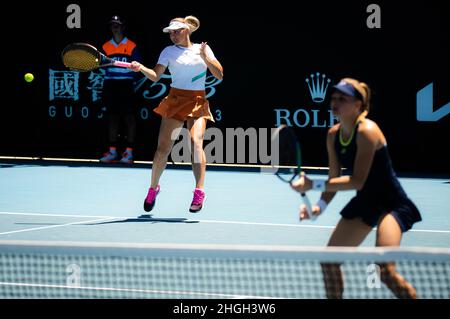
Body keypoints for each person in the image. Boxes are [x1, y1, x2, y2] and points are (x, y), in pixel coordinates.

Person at [291, 78, 422, 299]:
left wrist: (313, 184)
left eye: (343, 98)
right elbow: (334, 179)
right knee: (329, 262)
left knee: (384, 271)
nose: (335, 102)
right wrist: (318, 207)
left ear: (358, 105)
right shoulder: (333, 135)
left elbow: (357, 181)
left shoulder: (368, 131)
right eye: (334, 97)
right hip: (366, 202)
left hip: (392, 204)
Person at [130, 16, 223, 213]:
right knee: (162, 150)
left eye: (176, 31)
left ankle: (199, 191)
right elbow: (155, 76)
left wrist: (206, 57)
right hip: (175, 100)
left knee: (196, 143)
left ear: (187, 30)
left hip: (198, 101)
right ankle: (153, 188)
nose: (172, 35)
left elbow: (219, 74)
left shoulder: (203, 48)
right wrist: (141, 68)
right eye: (170, 32)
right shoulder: (168, 52)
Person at [99, 15, 142, 164]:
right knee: (112, 117)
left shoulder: (131, 45)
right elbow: (101, 65)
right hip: (110, 84)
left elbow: (138, 67)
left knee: (129, 118)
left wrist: (128, 71)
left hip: (126, 85)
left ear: (122, 27)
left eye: (117, 25)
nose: (115, 28)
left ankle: (128, 153)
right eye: (112, 25)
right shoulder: (105, 47)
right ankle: (112, 152)